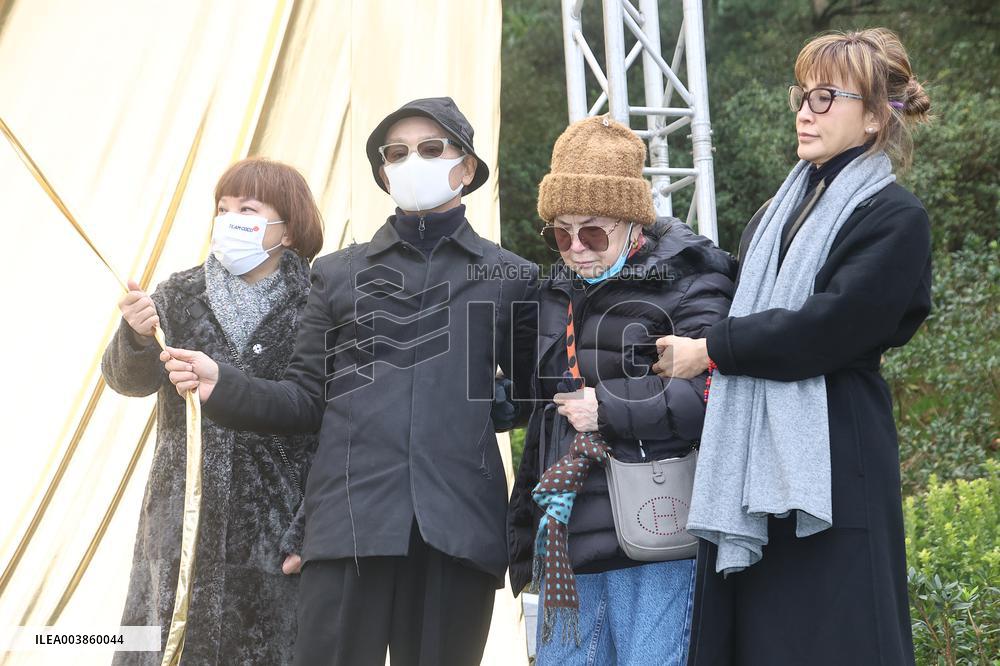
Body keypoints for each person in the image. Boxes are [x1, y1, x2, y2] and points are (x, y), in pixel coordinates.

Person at [161, 97, 539, 666]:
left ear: (466, 167)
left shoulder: (511, 277)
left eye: (432, 149)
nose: (414, 161)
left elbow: (536, 393)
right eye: (398, 152)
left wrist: (497, 401)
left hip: (457, 527)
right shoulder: (338, 272)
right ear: (383, 172)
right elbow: (303, 399)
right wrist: (224, 384)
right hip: (347, 525)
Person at [653, 28, 932, 665]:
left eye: (827, 96)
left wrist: (712, 349)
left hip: (835, 463)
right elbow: (730, 283)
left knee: (834, 639)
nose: (806, 110)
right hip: (755, 461)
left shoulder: (894, 217)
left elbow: (828, 328)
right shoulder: (778, 211)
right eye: (802, 95)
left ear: (873, 117)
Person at [506, 115, 736, 665]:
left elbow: (716, 398)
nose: (575, 248)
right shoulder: (553, 294)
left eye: (591, 231)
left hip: (657, 535)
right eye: (560, 232)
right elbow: (542, 413)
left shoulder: (692, 280)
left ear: (634, 222)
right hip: (567, 538)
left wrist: (607, 408)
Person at [102, 157, 324, 664]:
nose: (228, 220)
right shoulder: (178, 295)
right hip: (181, 513)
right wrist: (135, 337)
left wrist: (311, 521)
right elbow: (125, 381)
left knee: (269, 643)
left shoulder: (318, 303)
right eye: (222, 209)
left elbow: (329, 414)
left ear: (287, 229)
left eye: (246, 209)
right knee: (164, 638)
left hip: (275, 518)